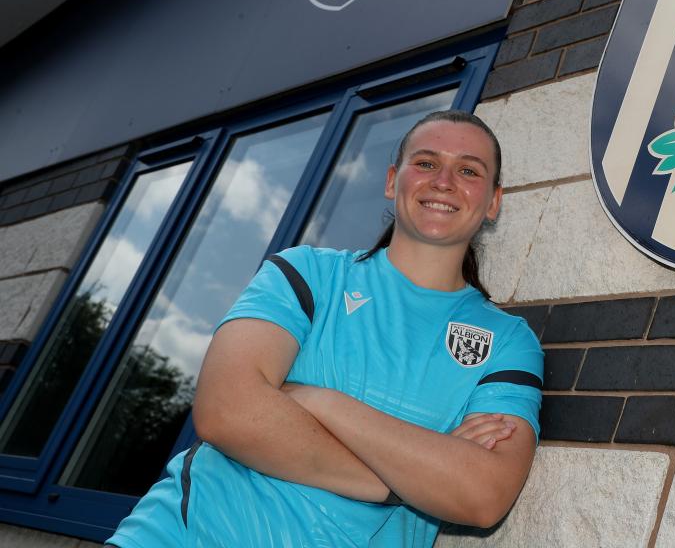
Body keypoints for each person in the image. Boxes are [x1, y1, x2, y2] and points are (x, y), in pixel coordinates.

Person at [105, 109, 544, 548]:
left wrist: (318, 400)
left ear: (493, 202)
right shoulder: (307, 274)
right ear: (393, 181)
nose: (443, 181)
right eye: (426, 163)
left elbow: (483, 497)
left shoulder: (508, 341)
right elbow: (227, 411)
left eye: (468, 170)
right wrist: (409, 479)